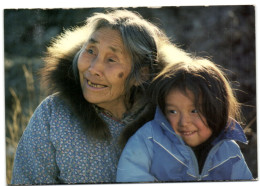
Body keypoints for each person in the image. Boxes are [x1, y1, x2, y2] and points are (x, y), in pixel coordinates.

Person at [11, 9, 191, 184]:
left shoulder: (172, 121)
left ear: (142, 74)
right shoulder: (53, 114)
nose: (93, 68)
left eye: (111, 59)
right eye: (90, 51)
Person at [116, 50, 253, 182]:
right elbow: (130, 178)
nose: (184, 122)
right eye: (173, 111)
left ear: (216, 109)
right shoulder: (148, 140)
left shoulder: (229, 151)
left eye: (194, 111)